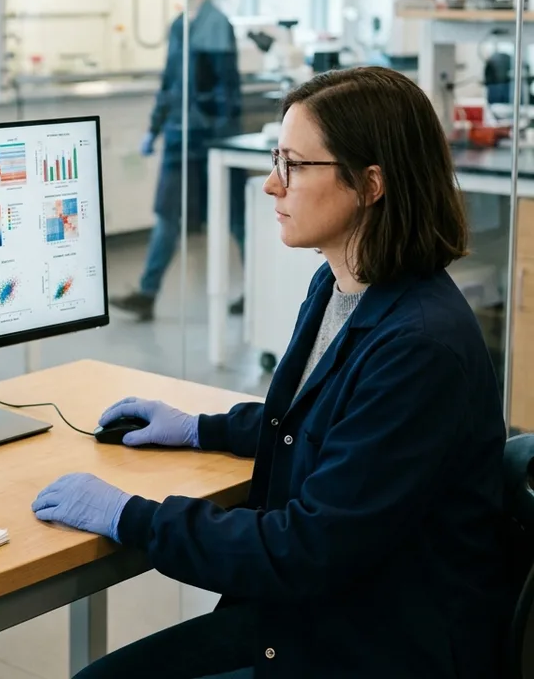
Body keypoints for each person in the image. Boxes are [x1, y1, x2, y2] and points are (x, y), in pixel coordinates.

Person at [32, 66, 510, 679]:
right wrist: (203, 428)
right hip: (317, 614)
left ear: (370, 184)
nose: (269, 185)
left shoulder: (419, 347)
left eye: (292, 164)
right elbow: (329, 423)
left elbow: (304, 548)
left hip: (367, 646)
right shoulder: (341, 285)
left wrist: (131, 516)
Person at [111, 0, 245, 322]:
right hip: (179, 137)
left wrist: (217, 135)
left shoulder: (216, 24)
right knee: (168, 215)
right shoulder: (177, 25)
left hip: (210, 140)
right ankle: (147, 293)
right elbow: (170, 84)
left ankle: (255, 291)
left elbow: (224, 89)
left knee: (234, 216)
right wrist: (155, 128)